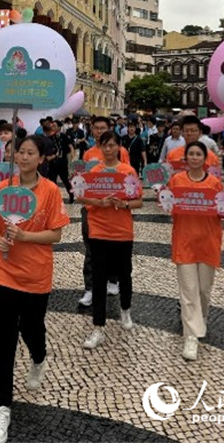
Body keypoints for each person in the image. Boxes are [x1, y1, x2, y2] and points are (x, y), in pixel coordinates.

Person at [0, 136, 70, 443]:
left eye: (29, 152)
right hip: (5, 271)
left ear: (41, 158)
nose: (22, 156)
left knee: (32, 328)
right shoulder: (3, 188)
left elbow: (56, 235)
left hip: (36, 273)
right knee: (5, 338)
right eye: (19, 151)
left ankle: (39, 357)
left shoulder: (49, 191)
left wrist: (24, 237)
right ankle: (3, 406)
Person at [168, 141, 224, 361]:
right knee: (188, 292)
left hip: (208, 243)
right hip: (184, 242)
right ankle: (191, 337)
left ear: (205, 159)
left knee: (204, 290)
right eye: (191, 154)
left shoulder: (214, 183)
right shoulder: (176, 180)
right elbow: (169, 205)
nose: (194, 157)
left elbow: (222, 208)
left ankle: (200, 320)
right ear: (186, 158)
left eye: (198, 154)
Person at [79, 131, 143, 349]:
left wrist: (123, 204)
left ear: (119, 148)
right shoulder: (94, 172)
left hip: (122, 231)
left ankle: (125, 310)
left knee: (125, 274)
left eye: (112, 145)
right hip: (99, 231)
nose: (108, 149)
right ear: (99, 147)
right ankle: (98, 326)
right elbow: (82, 196)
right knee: (98, 279)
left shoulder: (128, 171)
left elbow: (138, 201)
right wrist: (99, 203)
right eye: (105, 145)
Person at [79, 116, 130, 306]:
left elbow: (128, 179)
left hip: (115, 208)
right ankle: (90, 288)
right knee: (91, 248)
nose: (99, 131)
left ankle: (112, 279)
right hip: (92, 207)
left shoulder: (121, 152)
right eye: (96, 128)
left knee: (114, 246)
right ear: (91, 130)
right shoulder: (89, 153)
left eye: (103, 128)